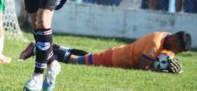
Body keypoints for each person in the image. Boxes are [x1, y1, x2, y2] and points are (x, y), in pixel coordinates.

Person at [19, 31, 191, 74]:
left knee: (83, 56)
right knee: (76, 61)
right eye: (178, 50)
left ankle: (48, 47)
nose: (176, 53)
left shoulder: (168, 45)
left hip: (118, 56)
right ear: (174, 41)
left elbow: (166, 61)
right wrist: (163, 70)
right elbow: (143, 66)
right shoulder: (156, 41)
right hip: (116, 59)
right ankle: (38, 47)